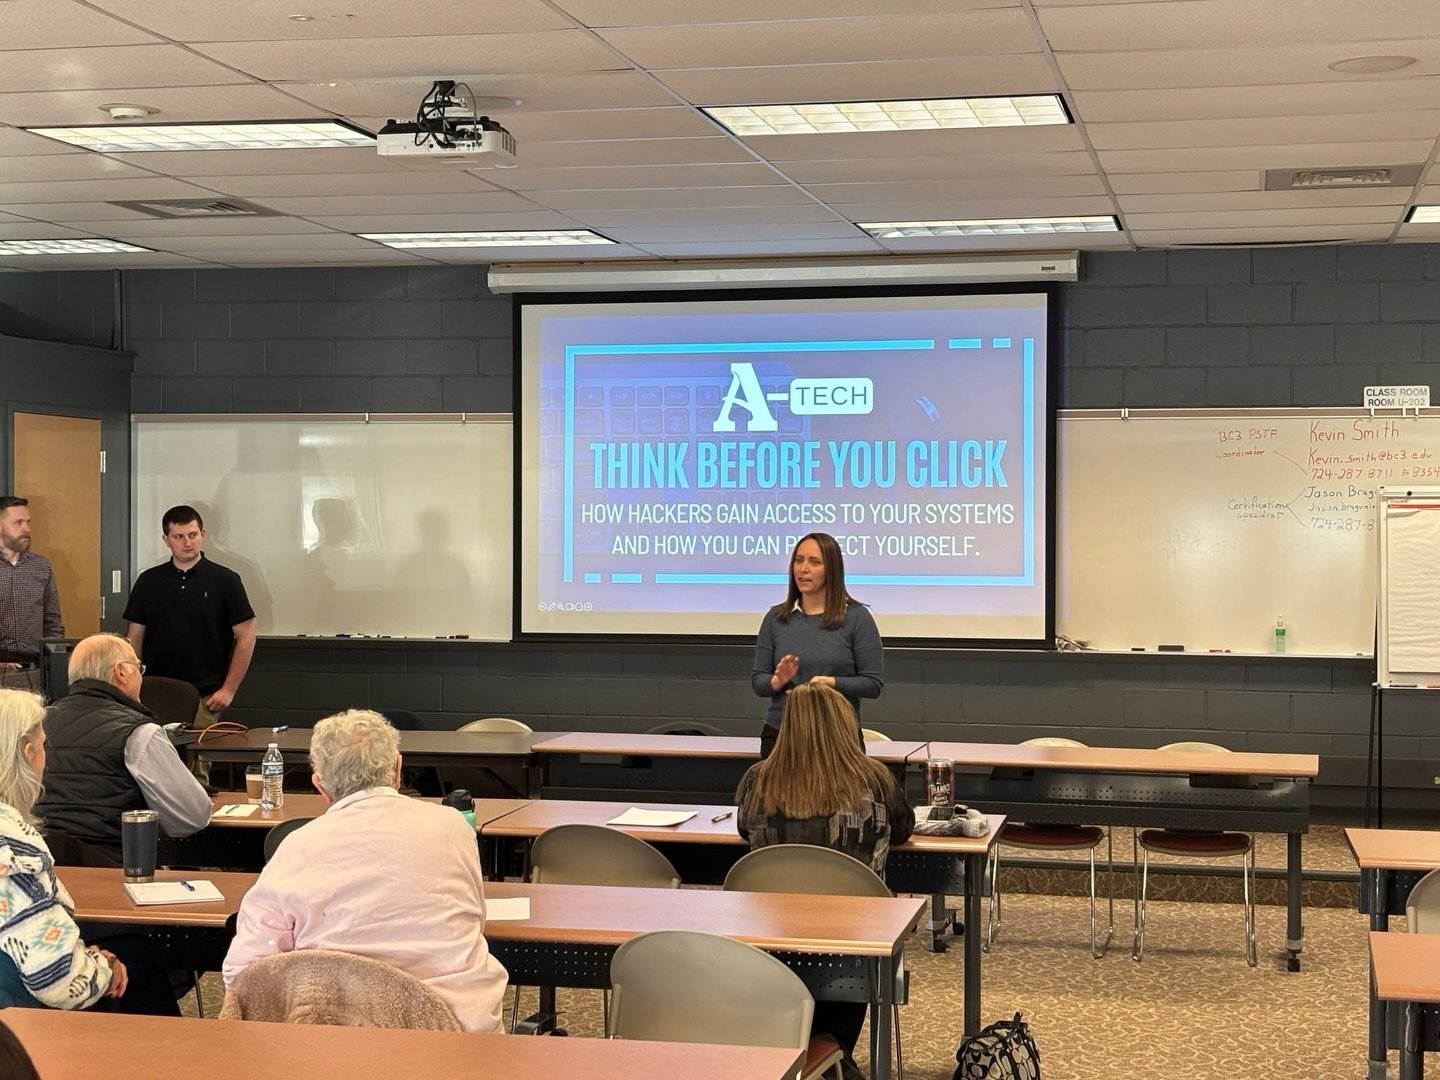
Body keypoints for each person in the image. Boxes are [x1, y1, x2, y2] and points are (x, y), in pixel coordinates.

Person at [223, 709, 508, 1031]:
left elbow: (244, 971)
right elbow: (475, 917)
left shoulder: (297, 846)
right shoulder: (454, 826)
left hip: (332, 1039)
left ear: (320, 786)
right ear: (398, 768)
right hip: (456, 1034)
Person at [735, 683, 914, 1080]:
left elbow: (744, 829)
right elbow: (903, 828)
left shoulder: (757, 781)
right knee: (845, 939)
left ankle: (808, 1053)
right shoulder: (876, 780)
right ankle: (832, 1052)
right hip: (856, 948)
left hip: (770, 944)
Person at [0, 688, 177, 1016]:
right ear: (27, 753)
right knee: (137, 960)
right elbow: (56, 979)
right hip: (19, 1026)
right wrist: (106, 971)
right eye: (44, 745)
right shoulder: (12, 847)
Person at [33, 634, 211, 862]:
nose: (141, 677)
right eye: (139, 669)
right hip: (117, 869)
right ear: (121, 672)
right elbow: (193, 816)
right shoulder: (139, 732)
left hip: (39, 867)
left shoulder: (35, 725)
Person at [751, 532, 883, 758]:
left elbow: (873, 684)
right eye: (799, 560)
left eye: (814, 562)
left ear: (831, 570)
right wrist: (777, 680)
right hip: (782, 733)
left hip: (837, 734)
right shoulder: (776, 618)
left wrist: (828, 683)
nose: (803, 569)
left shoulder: (856, 618)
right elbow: (758, 682)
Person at [124, 505, 256, 721]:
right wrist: (131, 685)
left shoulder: (226, 580)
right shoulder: (148, 581)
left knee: (198, 744)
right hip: (153, 692)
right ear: (166, 539)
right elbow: (134, 638)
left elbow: (247, 636)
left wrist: (228, 690)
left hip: (205, 697)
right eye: (179, 536)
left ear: (202, 534)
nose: (187, 543)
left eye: (193, 535)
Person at [0, 496, 62, 692]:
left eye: (28, 522)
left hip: (34, 669)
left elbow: (52, 621)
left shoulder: (41, 566)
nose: (27, 529)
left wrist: (54, 663)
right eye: (18, 522)